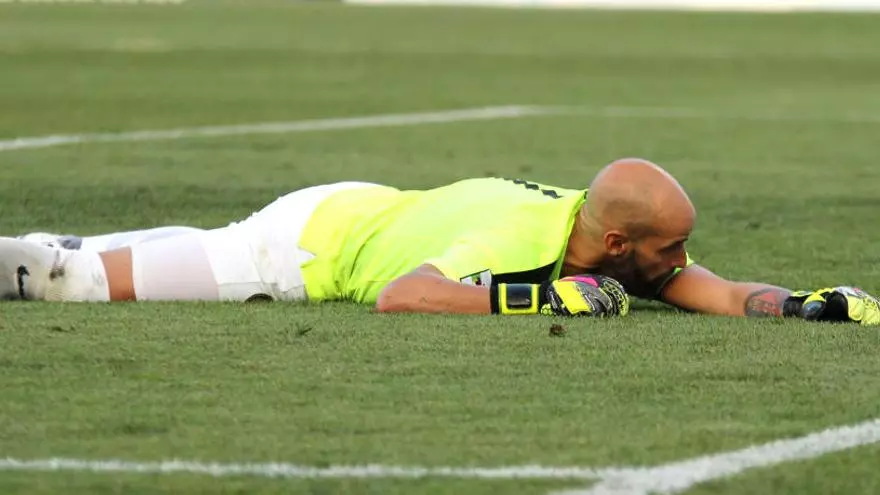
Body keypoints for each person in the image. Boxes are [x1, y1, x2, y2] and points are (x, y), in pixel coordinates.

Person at [1, 158, 877, 325]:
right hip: (303, 250)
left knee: (71, 250)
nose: (679, 262)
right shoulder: (523, 241)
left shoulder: (602, 238)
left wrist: (806, 304)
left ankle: (46, 246)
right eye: (668, 249)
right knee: (67, 282)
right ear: (617, 243)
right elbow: (405, 295)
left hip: (356, 203)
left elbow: (717, 291)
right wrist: (542, 298)